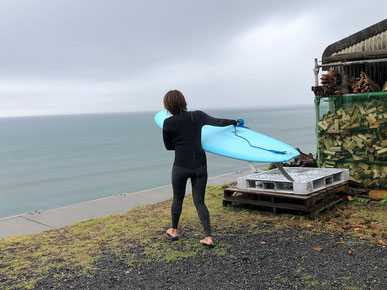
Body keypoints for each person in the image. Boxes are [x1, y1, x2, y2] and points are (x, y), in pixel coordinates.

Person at [162, 90, 238, 248]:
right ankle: (208, 237)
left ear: (167, 105)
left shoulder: (168, 123)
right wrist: (235, 122)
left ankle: (174, 230)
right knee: (200, 202)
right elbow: (218, 122)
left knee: (178, 198)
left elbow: (169, 147)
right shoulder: (197, 116)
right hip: (199, 166)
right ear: (184, 101)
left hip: (180, 165)